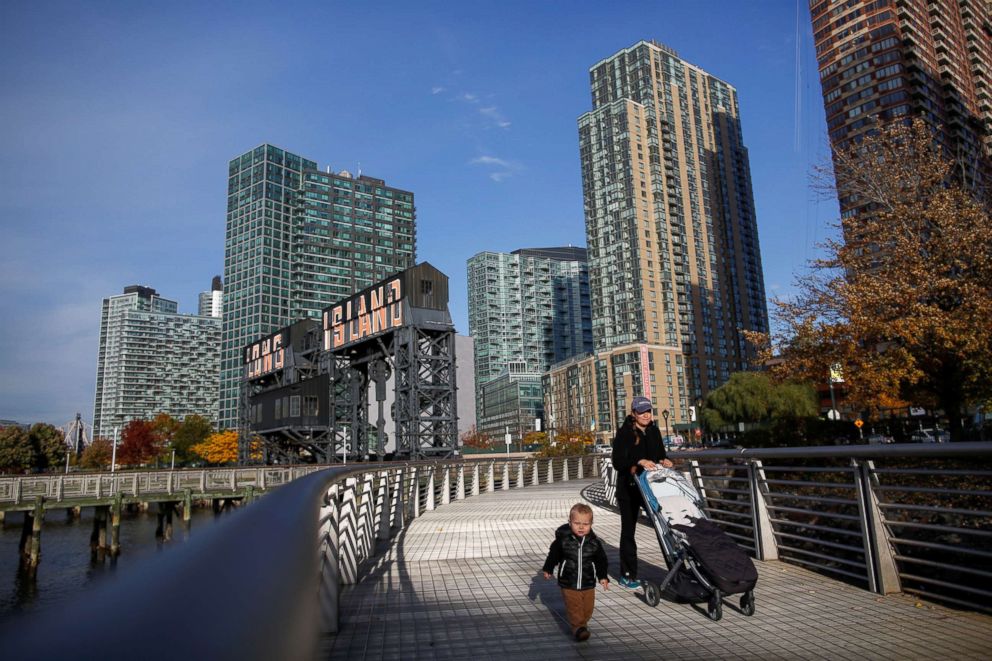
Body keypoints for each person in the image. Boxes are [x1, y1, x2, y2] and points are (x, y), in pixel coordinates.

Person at [610, 395, 673, 589]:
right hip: (630, 489)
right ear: (633, 413)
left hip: (652, 488)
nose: (645, 415)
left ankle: (676, 570)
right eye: (641, 412)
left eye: (648, 411)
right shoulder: (625, 433)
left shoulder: (654, 431)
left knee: (665, 528)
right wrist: (639, 461)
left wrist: (665, 460)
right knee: (628, 532)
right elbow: (618, 462)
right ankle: (627, 574)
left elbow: (660, 454)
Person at [542, 503, 610, 642]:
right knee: (574, 606)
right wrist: (548, 568)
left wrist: (602, 576)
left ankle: (581, 625)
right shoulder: (563, 541)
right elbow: (553, 555)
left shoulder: (594, 543)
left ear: (591, 524)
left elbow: (601, 560)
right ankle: (578, 628)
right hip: (569, 581)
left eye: (585, 524)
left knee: (587, 609)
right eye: (577, 523)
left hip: (588, 581)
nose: (581, 527)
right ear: (570, 522)